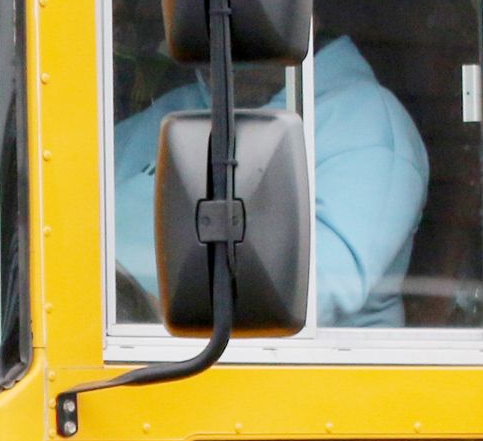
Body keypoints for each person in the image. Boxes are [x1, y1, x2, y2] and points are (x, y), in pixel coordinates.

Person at [110, 34, 428, 330]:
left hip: (273, 379)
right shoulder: (183, 104)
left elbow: (304, 296)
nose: (204, 31)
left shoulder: (364, 122)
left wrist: (123, 300)